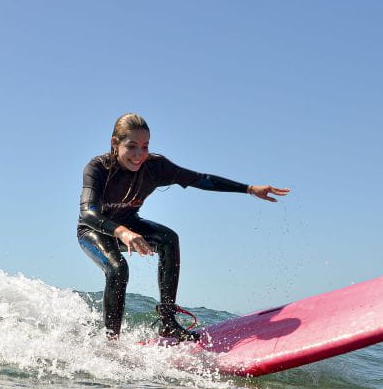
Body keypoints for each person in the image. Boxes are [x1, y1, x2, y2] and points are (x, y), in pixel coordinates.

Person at [78, 113, 289, 342]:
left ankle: (168, 323)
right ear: (114, 143)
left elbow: (200, 179)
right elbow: (88, 213)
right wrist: (123, 232)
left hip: (130, 225)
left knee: (169, 239)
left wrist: (248, 189)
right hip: (94, 231)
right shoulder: (98, 168)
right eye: (131, 146)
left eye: (145, 146)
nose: (139, 155)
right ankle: (111, 341)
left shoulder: (156, 167)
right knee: (118, 269)